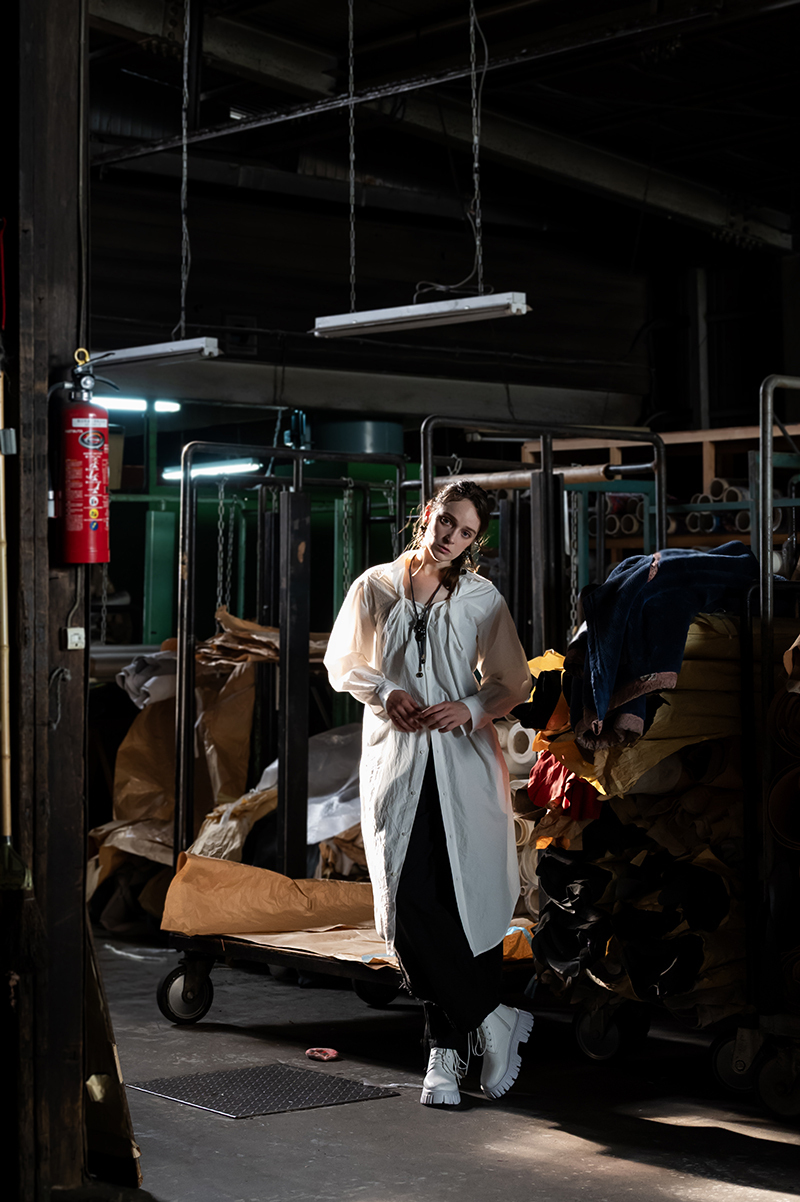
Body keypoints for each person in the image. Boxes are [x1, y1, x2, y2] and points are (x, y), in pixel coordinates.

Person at [324, 479, 534, 1106]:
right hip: (397, 765)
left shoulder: (481, 598)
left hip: (463, 765)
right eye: (446, 521)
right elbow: (343, 662)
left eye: (466, 532)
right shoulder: (376, 587)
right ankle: (491, 1017)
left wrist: (469, 707)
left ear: (475, 541)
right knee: (408, 904)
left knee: (465, 899)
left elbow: (512, 681)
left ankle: (444, 1054)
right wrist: (386, 691)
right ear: (427, 515)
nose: (451, 538)